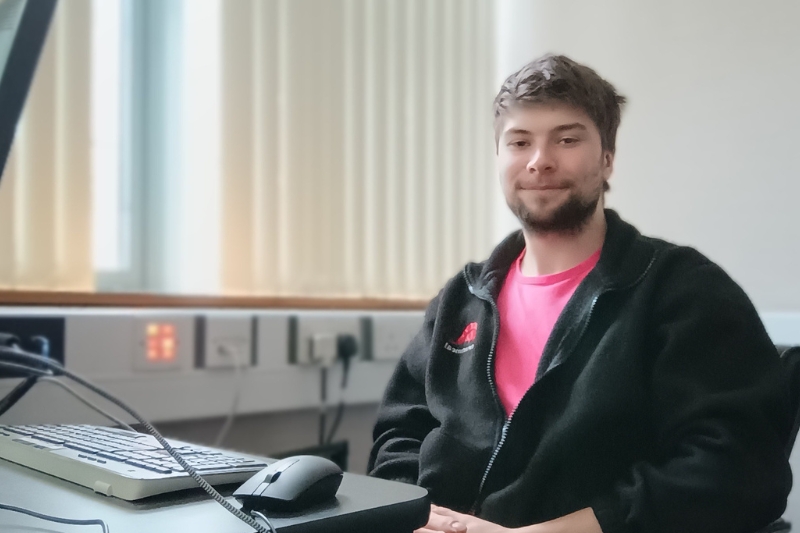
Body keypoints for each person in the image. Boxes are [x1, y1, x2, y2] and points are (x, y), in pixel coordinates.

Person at [367, 54, 793, 533]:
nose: (540, 160)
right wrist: (414, 514)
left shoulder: (683, 290)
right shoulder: (461, 299)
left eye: (567, 139)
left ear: (607, 158)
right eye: (519, 142)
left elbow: (738, 467)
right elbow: (398, 436)